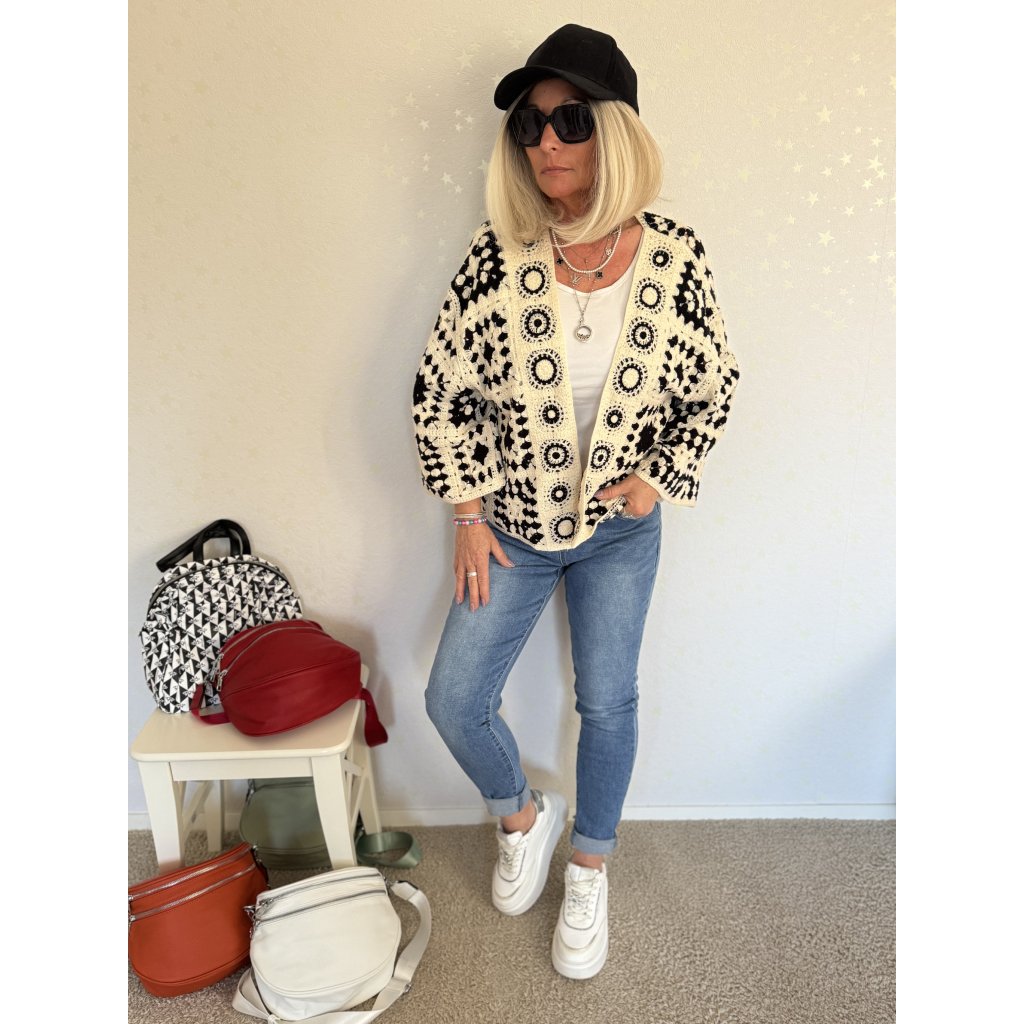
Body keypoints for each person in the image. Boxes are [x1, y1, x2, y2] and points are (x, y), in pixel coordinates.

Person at [411, 23, 740, 979]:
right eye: (528, 124)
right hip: (513, 530)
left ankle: (589, 864)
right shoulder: (497, 257)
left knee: (608, 698)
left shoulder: (673, 258)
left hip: (619, 536)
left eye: (570, 120)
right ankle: (524, 817)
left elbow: (714, 385)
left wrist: (655, 478)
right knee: (453, 699)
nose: (545, 141)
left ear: (616, 131)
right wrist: (467, 514)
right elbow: (440, 394)